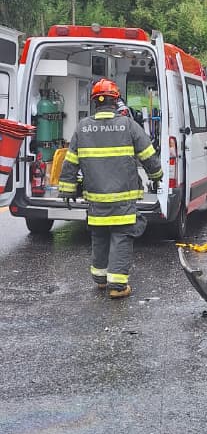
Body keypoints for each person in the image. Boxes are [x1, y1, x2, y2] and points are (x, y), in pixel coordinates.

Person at [58, 78, 163, 299]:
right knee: (121, 236)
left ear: (95, 102)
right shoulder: (128, 125)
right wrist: (157, 176)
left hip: (96, 199)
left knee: (100, 236)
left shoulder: (83, 127)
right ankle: (117, 286)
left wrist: (67, 190)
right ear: (117, 101)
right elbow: (148, 156)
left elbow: (70, 162)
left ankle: (100, 279)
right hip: (123, 199)